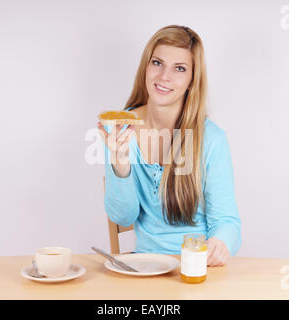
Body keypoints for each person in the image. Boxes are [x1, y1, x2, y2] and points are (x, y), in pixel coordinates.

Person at [98, 25, 241, 267]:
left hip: (195, 266)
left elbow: (227, 222)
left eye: (180, 68)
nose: (164, 76)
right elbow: (122, 216)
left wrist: (221, 243)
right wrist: (120, 165)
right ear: (146, 66)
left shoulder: (211, 139)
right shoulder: (120, 128)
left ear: (192, 81)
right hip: (144, 265)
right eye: (157, 63)